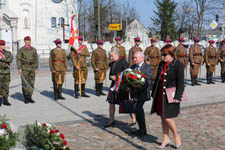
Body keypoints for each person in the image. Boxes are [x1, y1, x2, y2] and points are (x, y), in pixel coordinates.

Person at [151, 44, 184, 149]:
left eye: (165, 55)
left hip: (171, 94)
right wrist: (153, 93)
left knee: (168, 118)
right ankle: (166, 138)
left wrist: (178, 97)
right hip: (160, 93)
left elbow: (181, 83)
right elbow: (157, 79)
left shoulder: (178, 65)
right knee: (162, 117)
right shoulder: (161, 64)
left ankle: (176, 135)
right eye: (162, 54)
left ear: (171, 54)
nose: (163, 57)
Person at [104, 47, 136, 128]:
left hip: (122, 87)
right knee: (111, 102)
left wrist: (117, 77)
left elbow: (128, 74)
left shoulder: (123, 63)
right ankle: (111, 120)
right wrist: (111, 77)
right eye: (110, 56)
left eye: (112, 56)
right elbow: (110, 75)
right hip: (113, 86)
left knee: (126, 103)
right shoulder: (112, 64)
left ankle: (133, 119)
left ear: (116, 54)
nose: (111, 58)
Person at [130, 51, 153, 136]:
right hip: (134, 92)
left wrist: (138, 85)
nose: (134, 59)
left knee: (138, 108)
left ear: (142, 58)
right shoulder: (132, 67)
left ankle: (142, 129)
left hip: (142, 92)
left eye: (136, 57)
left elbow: (149, 81)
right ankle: (142, 129)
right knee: (137, 110)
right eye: (134, 57)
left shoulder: (147, 68)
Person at [16, 36, 39, 104]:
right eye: (27, 40)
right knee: (25, 83)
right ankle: (25, 97)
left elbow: (36, 60)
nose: (29, 42)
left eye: (29, 40)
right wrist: (19, 68)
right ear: (25, 41)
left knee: (31, 82)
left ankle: (30, 96)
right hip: (24, 68)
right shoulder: (21, 50)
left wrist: (36, 68)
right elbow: (18, 59)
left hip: (32, 68)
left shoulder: (34, 49)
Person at [0, 40, 13, 106]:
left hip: (7, 73)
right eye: (2, 45)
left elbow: (10, 60)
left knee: (6, 86)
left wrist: (2, 59)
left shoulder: (8, 53)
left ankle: (5, 100)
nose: (4, 46)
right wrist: (5, 62)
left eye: (4, 45)